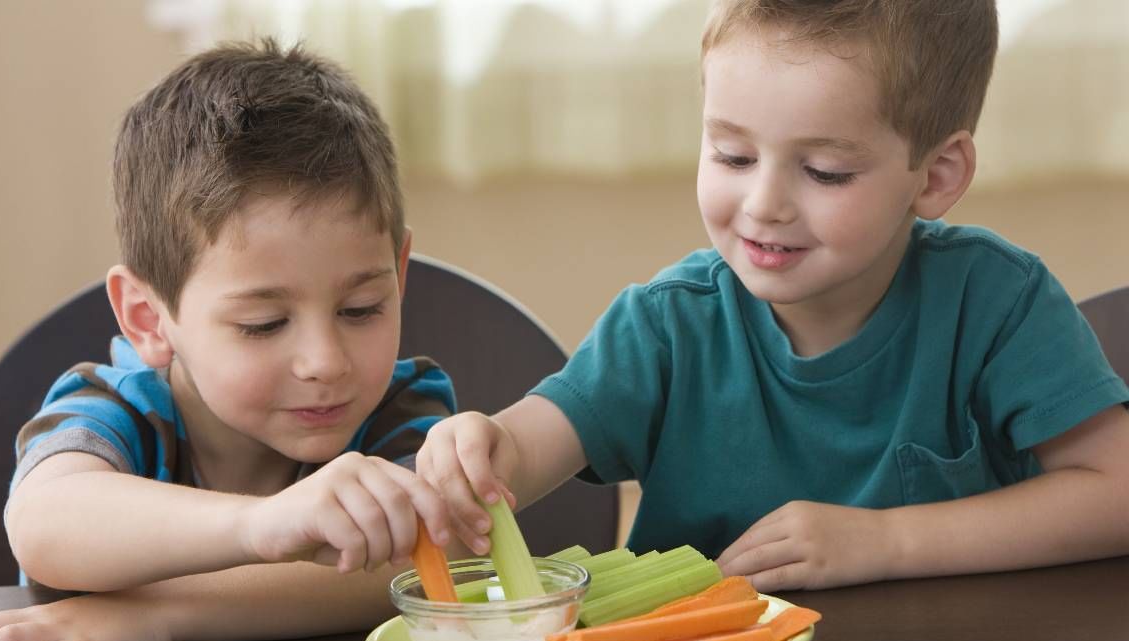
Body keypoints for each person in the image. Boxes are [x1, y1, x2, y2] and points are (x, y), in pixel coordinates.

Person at [418, 0, 1129, 593]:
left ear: (937, 175)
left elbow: (1117, 491)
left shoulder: (996, 303)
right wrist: (485, 447)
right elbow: (523, 444)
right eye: (732, 155)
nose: (764, 205)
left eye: (823, 171)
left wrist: (886, 543)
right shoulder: (668, 327)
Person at [0, 39, 459, 641]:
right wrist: (263, 526)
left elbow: (426, 565)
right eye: (263, 324)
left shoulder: (401, 410)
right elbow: (43, 524)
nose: (326, 362)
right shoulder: (117, 406)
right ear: (150, 320)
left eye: (361, 308)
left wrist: (164, 616)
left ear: (398, 277)